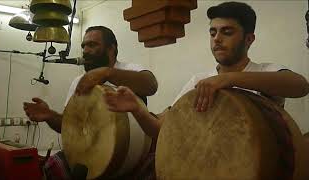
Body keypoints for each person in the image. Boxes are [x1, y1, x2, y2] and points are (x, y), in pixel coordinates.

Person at [103, 1, 309, 140]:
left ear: (249, 39)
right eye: (213, 32)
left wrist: (228, 79)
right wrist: (137, 109)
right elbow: (162, 130)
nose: (217, 39)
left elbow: (300, 85)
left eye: (226, 32)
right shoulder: (200, 80)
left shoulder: (265, 71)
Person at [23, 26, 158, 179]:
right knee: (53, 166)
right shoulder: (79, 82)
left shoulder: (129, 69)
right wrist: (49, 115)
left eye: (92, 45)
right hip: (93, 160)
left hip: (132, 159)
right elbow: (72, 127)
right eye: (84, 46)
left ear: (111, 49)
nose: (86, 50)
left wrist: (107, 72)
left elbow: (151, 85)